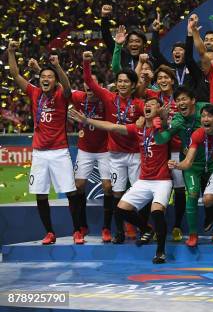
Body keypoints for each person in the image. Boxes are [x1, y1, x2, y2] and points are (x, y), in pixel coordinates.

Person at [69, 98, 171, 264]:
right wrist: (86, 120)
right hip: (144, 180)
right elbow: (112, 126)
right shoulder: (138, 129)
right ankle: (146, 229)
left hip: (162, 180)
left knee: (157, 212)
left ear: (159, 109)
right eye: (146, 104)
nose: (147, 106)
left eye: (152, 104)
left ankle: (160, 252)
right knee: (121, 210)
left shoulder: (165, 126)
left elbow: (163, 136)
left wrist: (164, 121)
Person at [8, 43, 84, 245]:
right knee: (40, 195)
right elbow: (15, 75)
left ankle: (77, 230)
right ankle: (50, 232)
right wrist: (11, 52)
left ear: (55, 80)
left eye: (49, 77)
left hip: (60, 152)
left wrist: (57, 67)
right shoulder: (34, 93)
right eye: (43, 77)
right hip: (40, 154)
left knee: (70, 192)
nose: (45, 79)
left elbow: (67, 87)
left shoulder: (61, 94)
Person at [154, 87, 213, 247]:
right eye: (177, 100)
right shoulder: (177, 120)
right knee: (191, 193)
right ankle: (192, 234)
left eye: (184, 99)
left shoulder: (205, 110)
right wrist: (158, 128)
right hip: (191, 164)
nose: (180, 103)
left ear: (193, 100)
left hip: (212, 161)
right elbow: (162, 140)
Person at [82, 50, 144, 243]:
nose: (122, 84)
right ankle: (120, 231)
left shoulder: (140, 104)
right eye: (120, 81)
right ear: (116, 84)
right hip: (115, 156)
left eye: (126, 82)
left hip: (135, 155)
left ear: (133, 86)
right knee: (117, 193)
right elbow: (90, 82)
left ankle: (141, 228)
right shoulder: (109, 98)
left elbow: (149, 120)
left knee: (137, 193)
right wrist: (86, 62)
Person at [169, 103, 213, 262]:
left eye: (209, 116)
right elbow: (188, 163)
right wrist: (177, 165)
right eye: (203, 116)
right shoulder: (198, 134)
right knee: (208, 200)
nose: (205, 119)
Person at [137, 64, 186, 242]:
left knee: (179, 190)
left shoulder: (180, 98)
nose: (163, 81)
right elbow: (139, 93)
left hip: (175, 150)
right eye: (160, 79)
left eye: (166, 78)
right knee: (152, 190)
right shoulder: (152, 96)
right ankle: (152, 227)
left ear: (173, 80)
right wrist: (145, 79)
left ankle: (177, 226)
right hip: (157, 151)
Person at [72, 70, 112, 242]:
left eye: (93, 82)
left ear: (99, 86)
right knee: (79, 186)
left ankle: (106, 228)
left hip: (105, 150)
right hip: (85, 150)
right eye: (86, 83)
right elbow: (61, 87)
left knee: (108, 187)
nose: (89, 85)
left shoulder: (107, 99)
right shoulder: (78, 98)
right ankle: (82, 225)